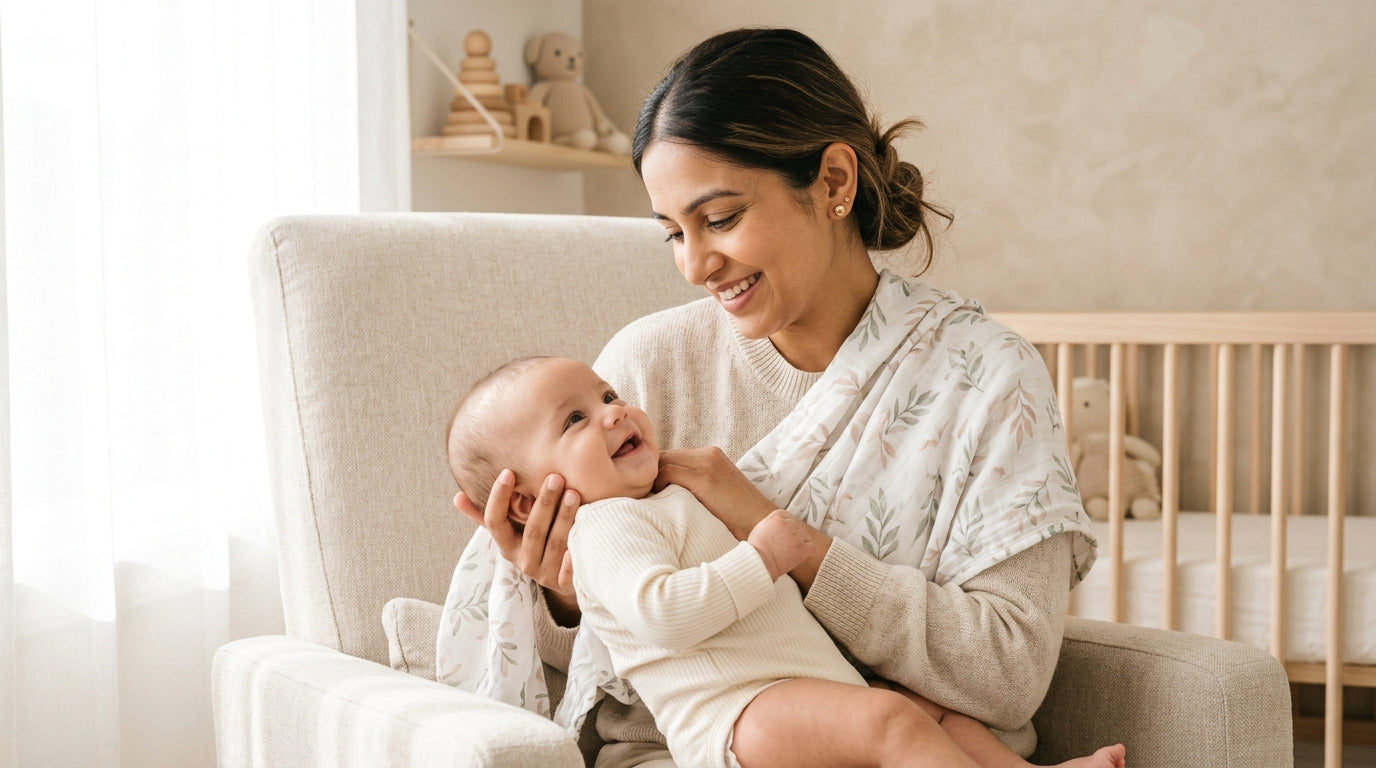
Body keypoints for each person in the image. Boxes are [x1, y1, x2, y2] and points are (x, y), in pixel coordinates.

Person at [454, 26, 1103, 768]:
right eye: (671, 233)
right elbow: (593, 671)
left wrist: (781, 537)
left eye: (721, 219)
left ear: (833, 182)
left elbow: (1007, 673)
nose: (695, 265)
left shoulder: (987, 378)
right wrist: (561, 595)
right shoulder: (641, 366)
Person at [444, 354, 1124, 768]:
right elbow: (660, 613)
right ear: (531, 502)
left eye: (608, 396)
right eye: (574, 421)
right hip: (735, 715)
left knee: (928, 711)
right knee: (892, 724)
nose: (613, 413)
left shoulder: (665, 496)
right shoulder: (605, 525)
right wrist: (766, 553)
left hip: (796, 687)